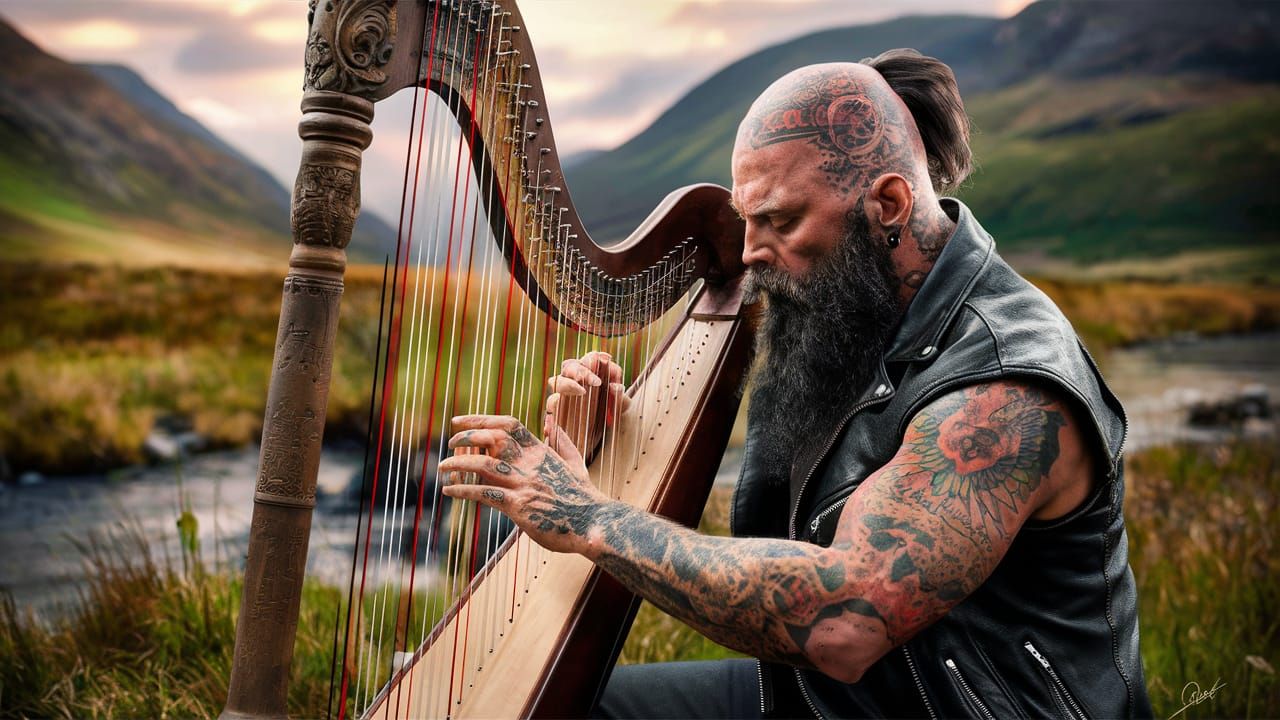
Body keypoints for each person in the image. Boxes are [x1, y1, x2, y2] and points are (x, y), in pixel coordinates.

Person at [438, 50, 1153, 719]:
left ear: (891, 204)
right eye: (747, 220)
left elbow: (844, 621)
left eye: (778, 220)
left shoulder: (1008, 388)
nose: (748, 253)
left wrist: (589, 518)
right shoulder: (860, 307)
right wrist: (613, 448)